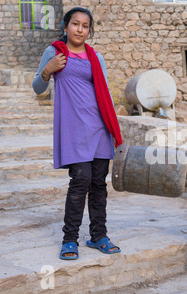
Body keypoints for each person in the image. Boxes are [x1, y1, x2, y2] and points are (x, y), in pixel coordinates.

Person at [32, 7, 123, 260]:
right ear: (65, 26)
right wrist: (48, 69)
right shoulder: (55, 52)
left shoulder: (97, 57)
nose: (79, 29)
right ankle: (70, 239)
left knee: (98, 184)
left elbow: (103, 93)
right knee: (80, 180)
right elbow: (37, 88)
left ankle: (98, 236)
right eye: (75, 24)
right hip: (73, 129)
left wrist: (112, 126)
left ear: (89, 31)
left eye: (85, 26)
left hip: (98, 127)